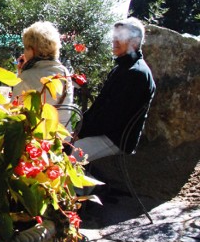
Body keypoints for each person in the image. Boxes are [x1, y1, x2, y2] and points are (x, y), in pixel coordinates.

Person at [73, 17, 156, 162]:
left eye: (121, 37)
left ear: (135, 42)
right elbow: (100, 106)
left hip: (116, 138)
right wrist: (79, 128)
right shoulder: (123, 68)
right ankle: (87, 183)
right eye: (114, 36)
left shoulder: (136, 73)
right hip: (107, 132)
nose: (115, 41)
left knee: (66, 156)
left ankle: (87, 184)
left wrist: (82, 133)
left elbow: (112, 116)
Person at [12, 21, 74, 126]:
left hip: (38, 139)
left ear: (31, 51)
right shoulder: (64, 72)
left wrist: (21, 74)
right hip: (64, 139)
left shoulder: (27, 76)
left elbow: (14, 111)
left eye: (25, 48)